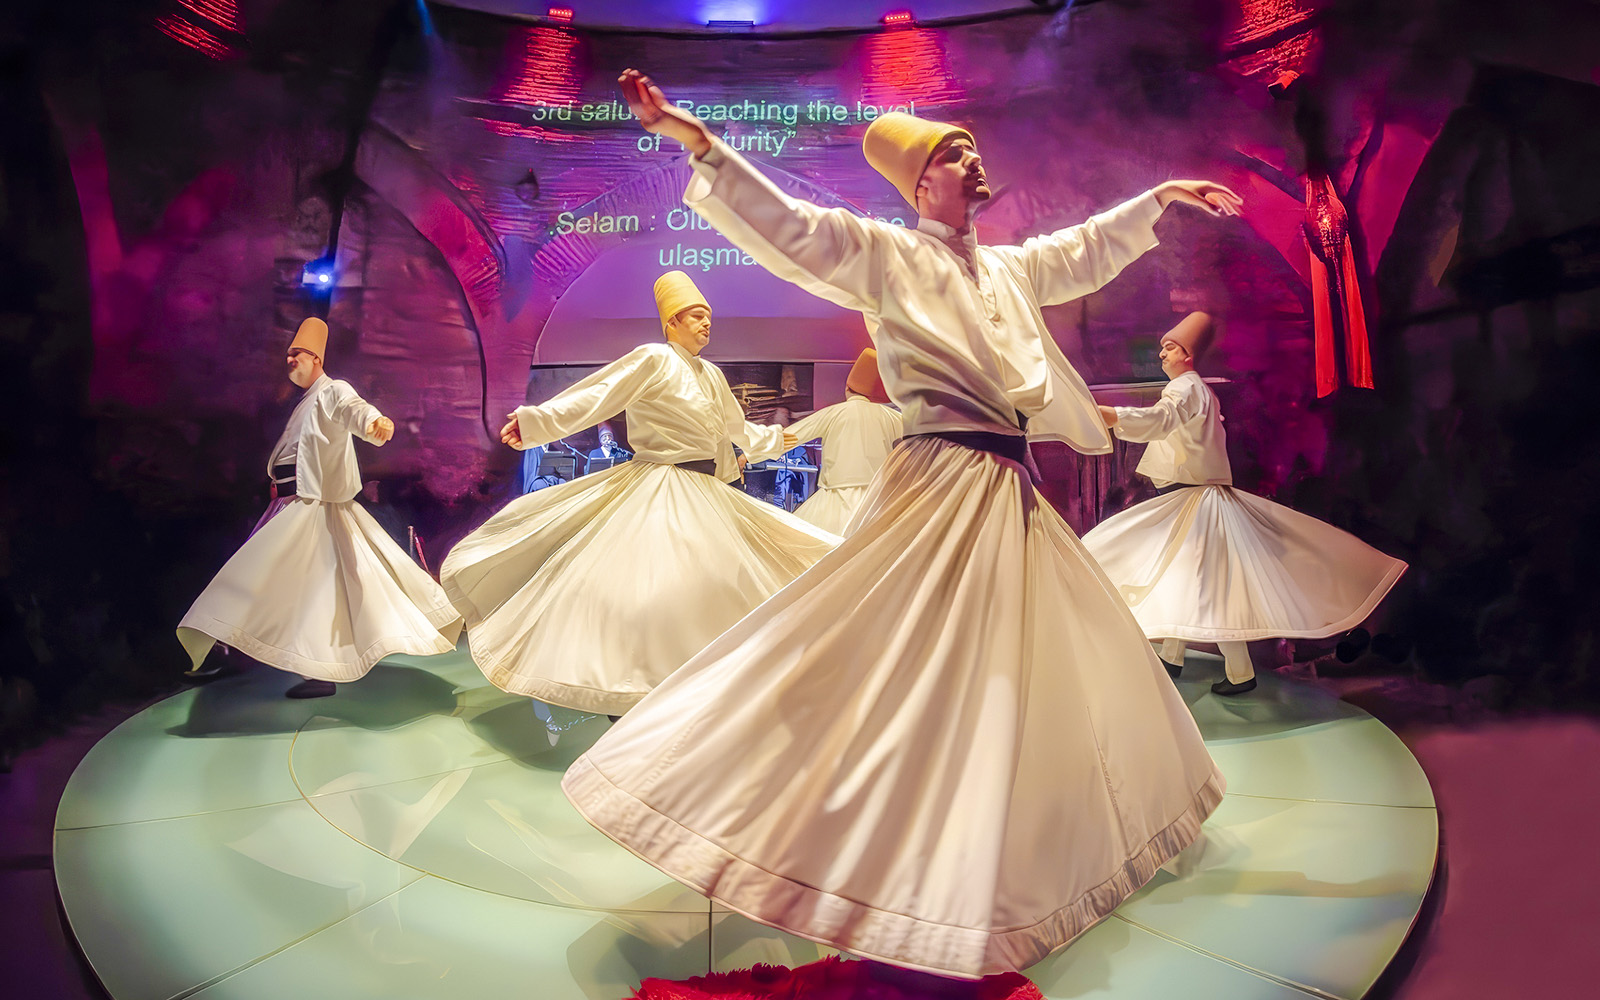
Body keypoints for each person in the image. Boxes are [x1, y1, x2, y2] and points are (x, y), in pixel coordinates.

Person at [561, 71, 1243, 980]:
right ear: (922, 185)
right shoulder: (888, 255)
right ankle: (869, 851)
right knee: (901, 656)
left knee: (1044, 658)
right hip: (942, 480)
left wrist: (1156, 197)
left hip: (1006, 484)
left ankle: (999, 859)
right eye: (953, 153)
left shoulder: (1008, 267)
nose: (973, 159)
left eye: (970, 146)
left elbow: (1081, 251)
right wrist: (699, 144)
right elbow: (793, 230)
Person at [439, 270, 838, 717]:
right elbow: (598, 395)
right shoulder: (652, 358)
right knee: (646, 589)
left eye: (709, 317)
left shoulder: (711, 374)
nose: (706, 324)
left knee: (708, 587)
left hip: (705, 490)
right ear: (672, 322)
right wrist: (536, 422)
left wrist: (775, 440)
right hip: (659, 484)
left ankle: (689, 691)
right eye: (696, 316)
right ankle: (626, 694)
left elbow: (736, 429)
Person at [1084, 312, 1408, 695]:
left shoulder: (1185, 390)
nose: (1162, 355)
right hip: (1197, 497)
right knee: (1195, 581)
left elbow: (1162, 420)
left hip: (1197, 498)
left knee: (1209, 586)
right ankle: (1177, 658)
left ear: (1188, 353)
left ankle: (1228, 670)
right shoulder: (1198, 390)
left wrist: (1112, 415)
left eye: (1169, 348)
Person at [177, 317, 461, 698]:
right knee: (284, 584)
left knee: (284, 583)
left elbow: (354, 409)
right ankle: (228, 647)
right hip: (290, 505)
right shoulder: (305, 401)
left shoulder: (333, 390)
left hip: (310, 506)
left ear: (315, 357)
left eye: (297, 354)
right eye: (289, 354)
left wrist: (375, 423)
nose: (290, 360)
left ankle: (238, 650)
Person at [783, 348, 903, 534]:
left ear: (847, 388)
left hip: (834, 501)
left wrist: (749, 455)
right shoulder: (891, 417)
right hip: (878, 501)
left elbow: (789, 437)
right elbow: (923, 441)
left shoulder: (833, 413)